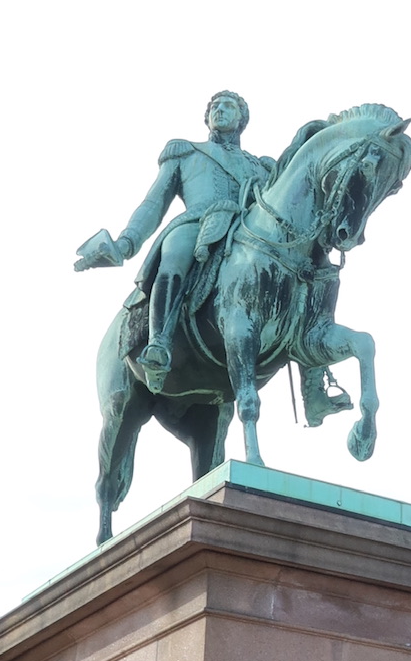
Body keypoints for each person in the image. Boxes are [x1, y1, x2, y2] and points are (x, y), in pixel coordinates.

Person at [75, 90, 349, 419]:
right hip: (197, 222)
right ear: (207, 118)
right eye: (214, 107)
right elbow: (153, 203)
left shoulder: (261, 167)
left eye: (228, 106)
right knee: (174, 255)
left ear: (242, 120)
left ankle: (314, 386)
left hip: (250, 235)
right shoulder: (186, 152)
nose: (220, 110)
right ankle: (159, 344)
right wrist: (125, 244)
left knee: (309, 276)